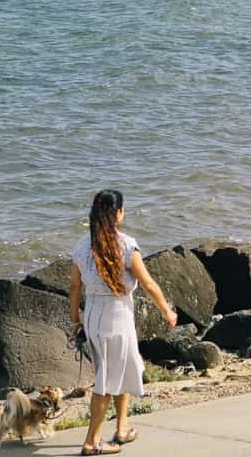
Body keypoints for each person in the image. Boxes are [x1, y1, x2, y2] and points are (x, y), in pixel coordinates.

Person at [69, 190, 177, 456]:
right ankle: (91, 443)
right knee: (107, 380)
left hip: (93, 315)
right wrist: (167, 311)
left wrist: (75, 321)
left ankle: (121, 427)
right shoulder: (127, 245)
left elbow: (74, 288)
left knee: (121, 370)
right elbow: (149, 284)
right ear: (118, 213)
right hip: (117, 317)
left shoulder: (81, 246)